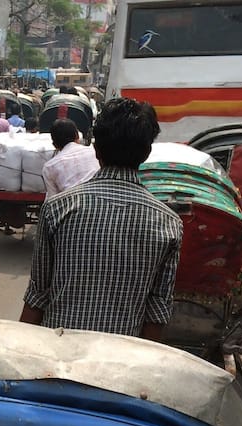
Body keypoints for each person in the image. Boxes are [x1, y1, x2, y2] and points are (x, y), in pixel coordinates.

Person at [20, 98, 183, 340]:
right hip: (120, 359)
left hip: (58, 352)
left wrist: (19, 349)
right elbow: (157, 310)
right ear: (147, 153)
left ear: (96, 149)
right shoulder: (169, 223)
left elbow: (38, 294)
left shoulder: (57, 208)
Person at [41, 119, 100, 198]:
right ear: (77, 136)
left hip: (73, 206)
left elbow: (52, 199)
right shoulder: (94, 151)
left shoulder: (49, 167)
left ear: (54, 145)